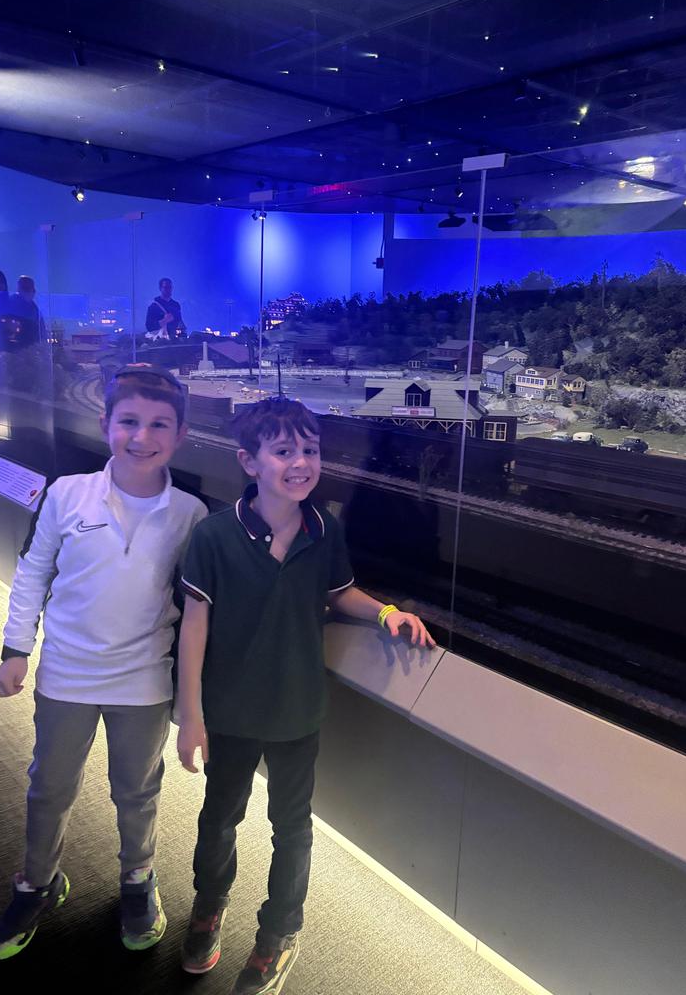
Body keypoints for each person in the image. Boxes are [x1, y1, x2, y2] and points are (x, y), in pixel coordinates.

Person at [176, 396, 434, 993]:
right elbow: (194, 628)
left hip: (297, 709)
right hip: (230, 709)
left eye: (310, 450)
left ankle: (279, 933)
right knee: (220, 817)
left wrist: (387, 612)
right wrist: (190, 715)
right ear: (249, 461)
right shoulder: (214, 536)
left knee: (291, 827)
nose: (300, 463)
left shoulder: (324, 530)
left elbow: (339, 592)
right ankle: (209, 908)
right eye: (283, 450)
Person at [0, 365, 207, 961]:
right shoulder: (67, 493)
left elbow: (198, 608)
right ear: (105, 423)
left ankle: (138, 879)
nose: (142, 436)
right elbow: (33, 571)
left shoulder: (191, 513)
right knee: (49, 788)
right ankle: (37, 883)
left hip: (145, 680)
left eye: (159, 424)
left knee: (137, 791)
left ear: (181, 435)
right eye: (128, 421)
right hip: (66, 673)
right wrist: (15, 649)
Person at [4, 275, 46, 349]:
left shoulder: (33, 307)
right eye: (28, 290)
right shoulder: (13, 303)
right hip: (17, 348)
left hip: (29, 348)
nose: (33, 293)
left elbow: (41, 331)